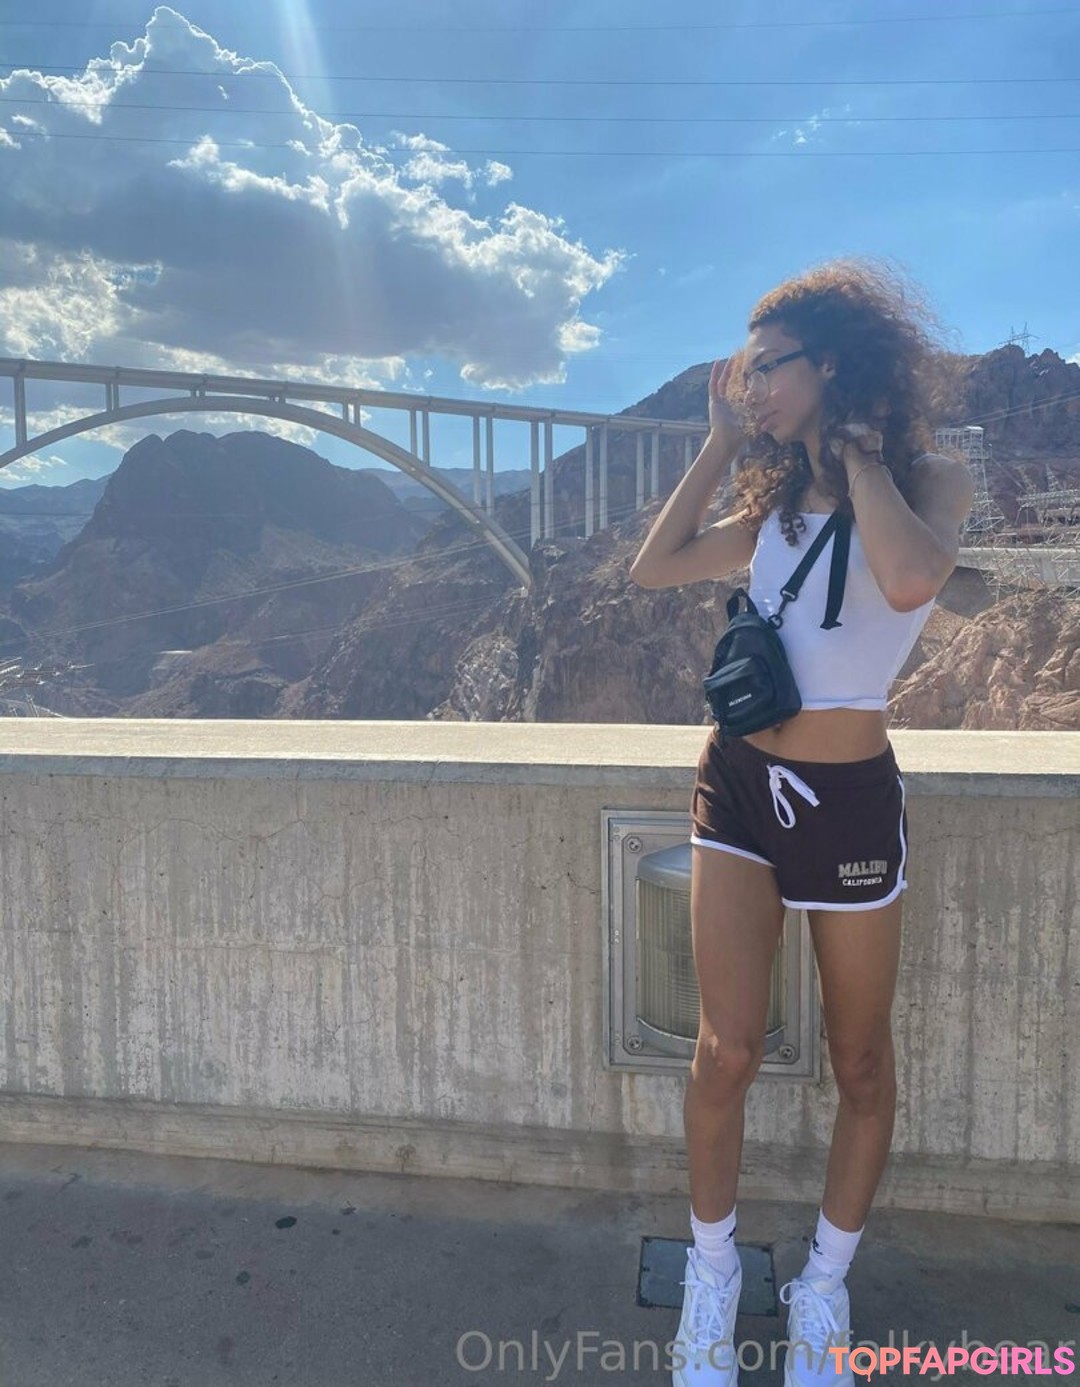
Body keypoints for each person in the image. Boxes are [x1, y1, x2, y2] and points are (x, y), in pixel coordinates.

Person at [629, 258, 975, 1387]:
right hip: (740, 785)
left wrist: (859, 457)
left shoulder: (933, 479)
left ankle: (823, 1287)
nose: (751, 385)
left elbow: (911, 580)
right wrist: (720, 443)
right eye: (743, 370)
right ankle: (712, 1276)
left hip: (850, 804)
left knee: (860, 1059)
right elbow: (654, 566)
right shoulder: (767, 501)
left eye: (766, 368)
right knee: (724, 1048)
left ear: (830, 361)